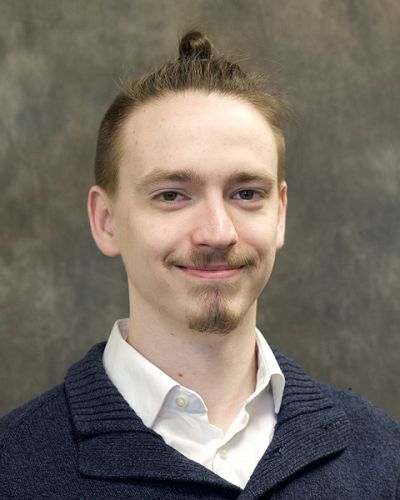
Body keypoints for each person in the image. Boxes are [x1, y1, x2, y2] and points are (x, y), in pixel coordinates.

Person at [1, 31, 399, 500]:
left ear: (280, 215)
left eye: (246, 193)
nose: (217, 232)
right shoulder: (13, 469)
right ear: (106, 221)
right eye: (172, 195)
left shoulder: (383, 457)